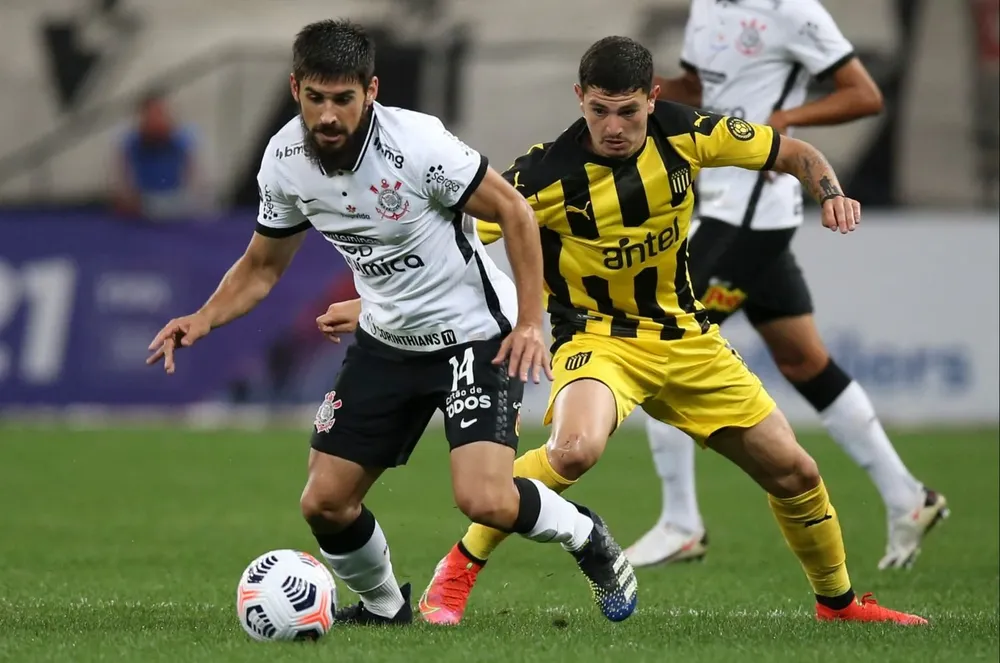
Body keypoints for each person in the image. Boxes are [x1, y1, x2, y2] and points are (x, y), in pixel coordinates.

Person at [409, 35, 928, 626]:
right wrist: (379, 300)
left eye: (628, 111)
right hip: (598, 340)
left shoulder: (686, 132)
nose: (613, 127)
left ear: (652, 99)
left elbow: (794, 152)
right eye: (600, 110)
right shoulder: (542, 176)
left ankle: (838, 605)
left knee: (796, 472)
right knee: (575, 451)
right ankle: (458, 568)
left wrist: (830, 193)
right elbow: (454, 241)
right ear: (579, 98)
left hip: (688, 339)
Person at [145, 19, 637, 627]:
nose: (328, 115)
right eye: (315, 98)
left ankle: (588, 537)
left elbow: (514, 210)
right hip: (386, 340)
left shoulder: (418, 145)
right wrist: (203, 318)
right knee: (325, 503)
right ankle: (385, 609)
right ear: (295, 88)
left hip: (472, 336)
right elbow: (262, 266)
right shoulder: (284, 161)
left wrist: (531, 323)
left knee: (484, 499)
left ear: (371, 91)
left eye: (343, 99)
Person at [626, 0, 948, 572]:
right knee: (803, 361)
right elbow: (699, 87)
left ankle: (681, 522)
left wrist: (785, 119)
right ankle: (908, 496)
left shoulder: (793, 11)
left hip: (750, 211)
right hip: (721, 203)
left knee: (660, 337)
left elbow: (864, 94)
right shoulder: (707, 6)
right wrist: (636, 92)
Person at [114, 89, 198, 220]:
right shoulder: (131, 141)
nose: (156, 118)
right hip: (143, 201)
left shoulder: (181, 139)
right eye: (152, 113)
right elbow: (123, 175)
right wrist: (129, 198)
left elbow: (192, 173)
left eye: (160, 113)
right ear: (142, 115)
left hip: (176, 199)